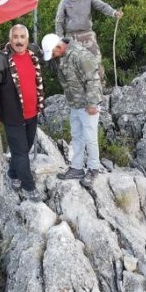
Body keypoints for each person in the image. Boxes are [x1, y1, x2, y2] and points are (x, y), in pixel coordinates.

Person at [0, 23, 44, 202]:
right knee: (20, 152)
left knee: (24, 148)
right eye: (15, 37)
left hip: (32, 112)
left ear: (27, 39)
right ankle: (29, 186)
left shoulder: (33, 54)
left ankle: (13, 173)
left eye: (22, 37)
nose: (19, 41)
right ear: (10, 40)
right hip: (12, 115)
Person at [41, 33, 105, 186]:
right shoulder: (62, 55)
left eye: (53, 52)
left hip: (88, 104)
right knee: (76, 136)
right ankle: (76, 167)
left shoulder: (80, 55)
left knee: (90, 137)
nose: (53, 57)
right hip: (75, 103)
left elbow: (94, 79)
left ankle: (93, 168)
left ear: (59, 46)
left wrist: (92, 103)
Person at [55, 0, 122, 83]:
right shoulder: (64, 1)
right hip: (71, 36)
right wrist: (61, 39)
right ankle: (80, 90)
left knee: (95, 60)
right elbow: (59, 21)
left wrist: (114, 12)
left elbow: (102, 6)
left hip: (87, 34)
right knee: (73, 64)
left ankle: (101, 85)